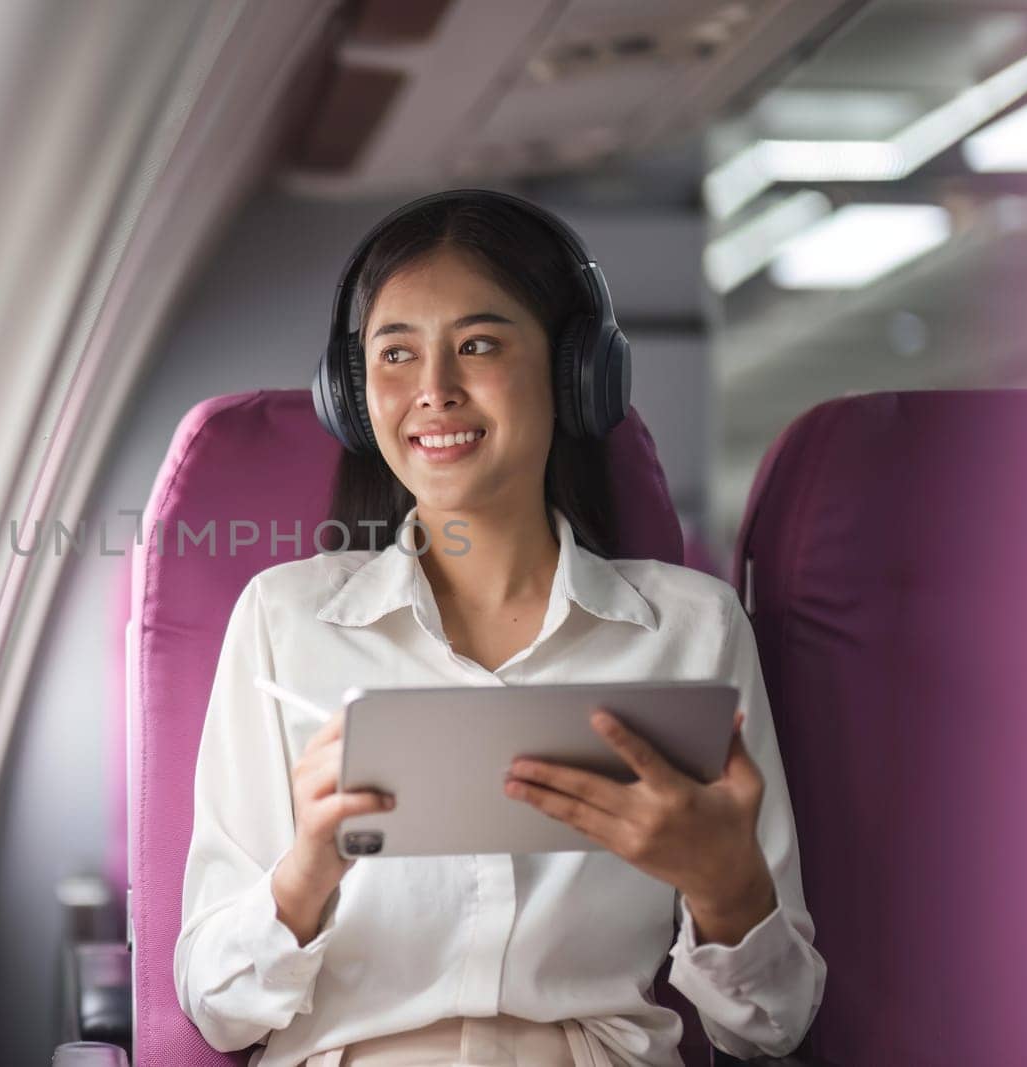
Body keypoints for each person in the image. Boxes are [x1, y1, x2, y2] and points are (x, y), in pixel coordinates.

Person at [173, 191, 825, 1067]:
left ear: (573, 374)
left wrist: (725, 884)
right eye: (395, 353)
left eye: (477, 345)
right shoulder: (283, 623)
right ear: (357, 393)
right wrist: (308, 872)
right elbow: (218, 1011)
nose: (433, 391)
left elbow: (773, 1026)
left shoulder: (692, 630)